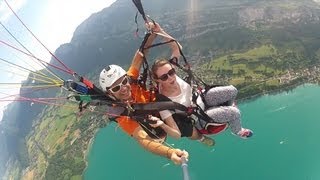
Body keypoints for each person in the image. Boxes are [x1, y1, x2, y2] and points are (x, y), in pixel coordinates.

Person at [98, 23, 188, 165]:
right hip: (157, 125)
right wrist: (170, 153)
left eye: (123, 82)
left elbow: (140, 56)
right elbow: (143, 139)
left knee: (173, 64)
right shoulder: (121, 114)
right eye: (116, 88)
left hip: (159, 104)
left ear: (126, 77)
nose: (123, 88)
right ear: (109, 93)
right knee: (187, 127)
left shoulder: (130, 79)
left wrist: (152, 33)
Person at [149, 26, 253, 141]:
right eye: (164, 77)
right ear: (157, 80)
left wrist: (159, 31)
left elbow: (177, 48)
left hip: (202, 98)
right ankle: (237, 130)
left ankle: (225, 113)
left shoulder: (170, 73)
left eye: (171, 72)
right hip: (199, 118)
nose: (170, 77)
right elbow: (177, 134)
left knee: (233, 90)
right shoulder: (163, 103)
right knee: (235, 113)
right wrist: (161, 124)